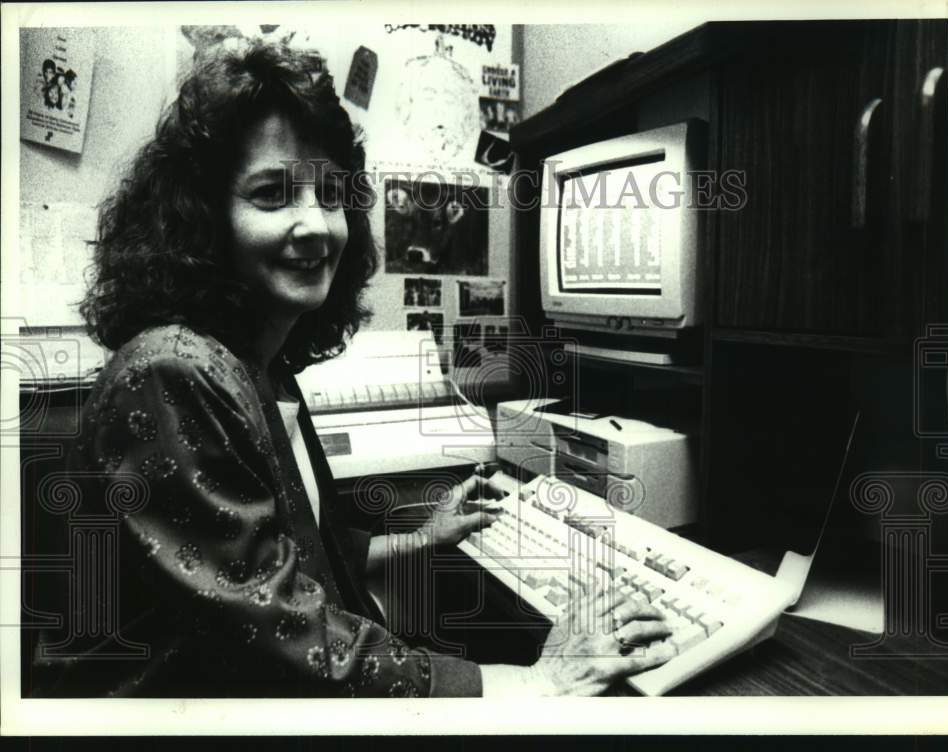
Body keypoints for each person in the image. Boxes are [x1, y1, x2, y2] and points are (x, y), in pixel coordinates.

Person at [49, 39, 673, 698]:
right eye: (271, 195)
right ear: (203, 219)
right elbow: (276, 639)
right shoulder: (173, 371)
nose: (316, 225)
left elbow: (281, 555)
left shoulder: (255, 364)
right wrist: (535, 685)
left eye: (331, 194)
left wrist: (419, 540)